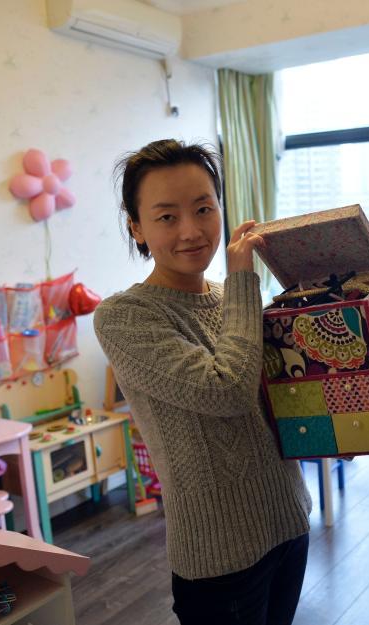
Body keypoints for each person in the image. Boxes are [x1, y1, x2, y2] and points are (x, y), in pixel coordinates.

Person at [94, 139, 312, 625]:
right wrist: (243, 280)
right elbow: (227, 390)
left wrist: (331, 430)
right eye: (167, 216)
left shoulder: (233, 297)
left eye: (203, 209)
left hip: (289, 518)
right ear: (137, 227)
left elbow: (273, 399)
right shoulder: (124, 317)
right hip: (220, 556)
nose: (191, 231)